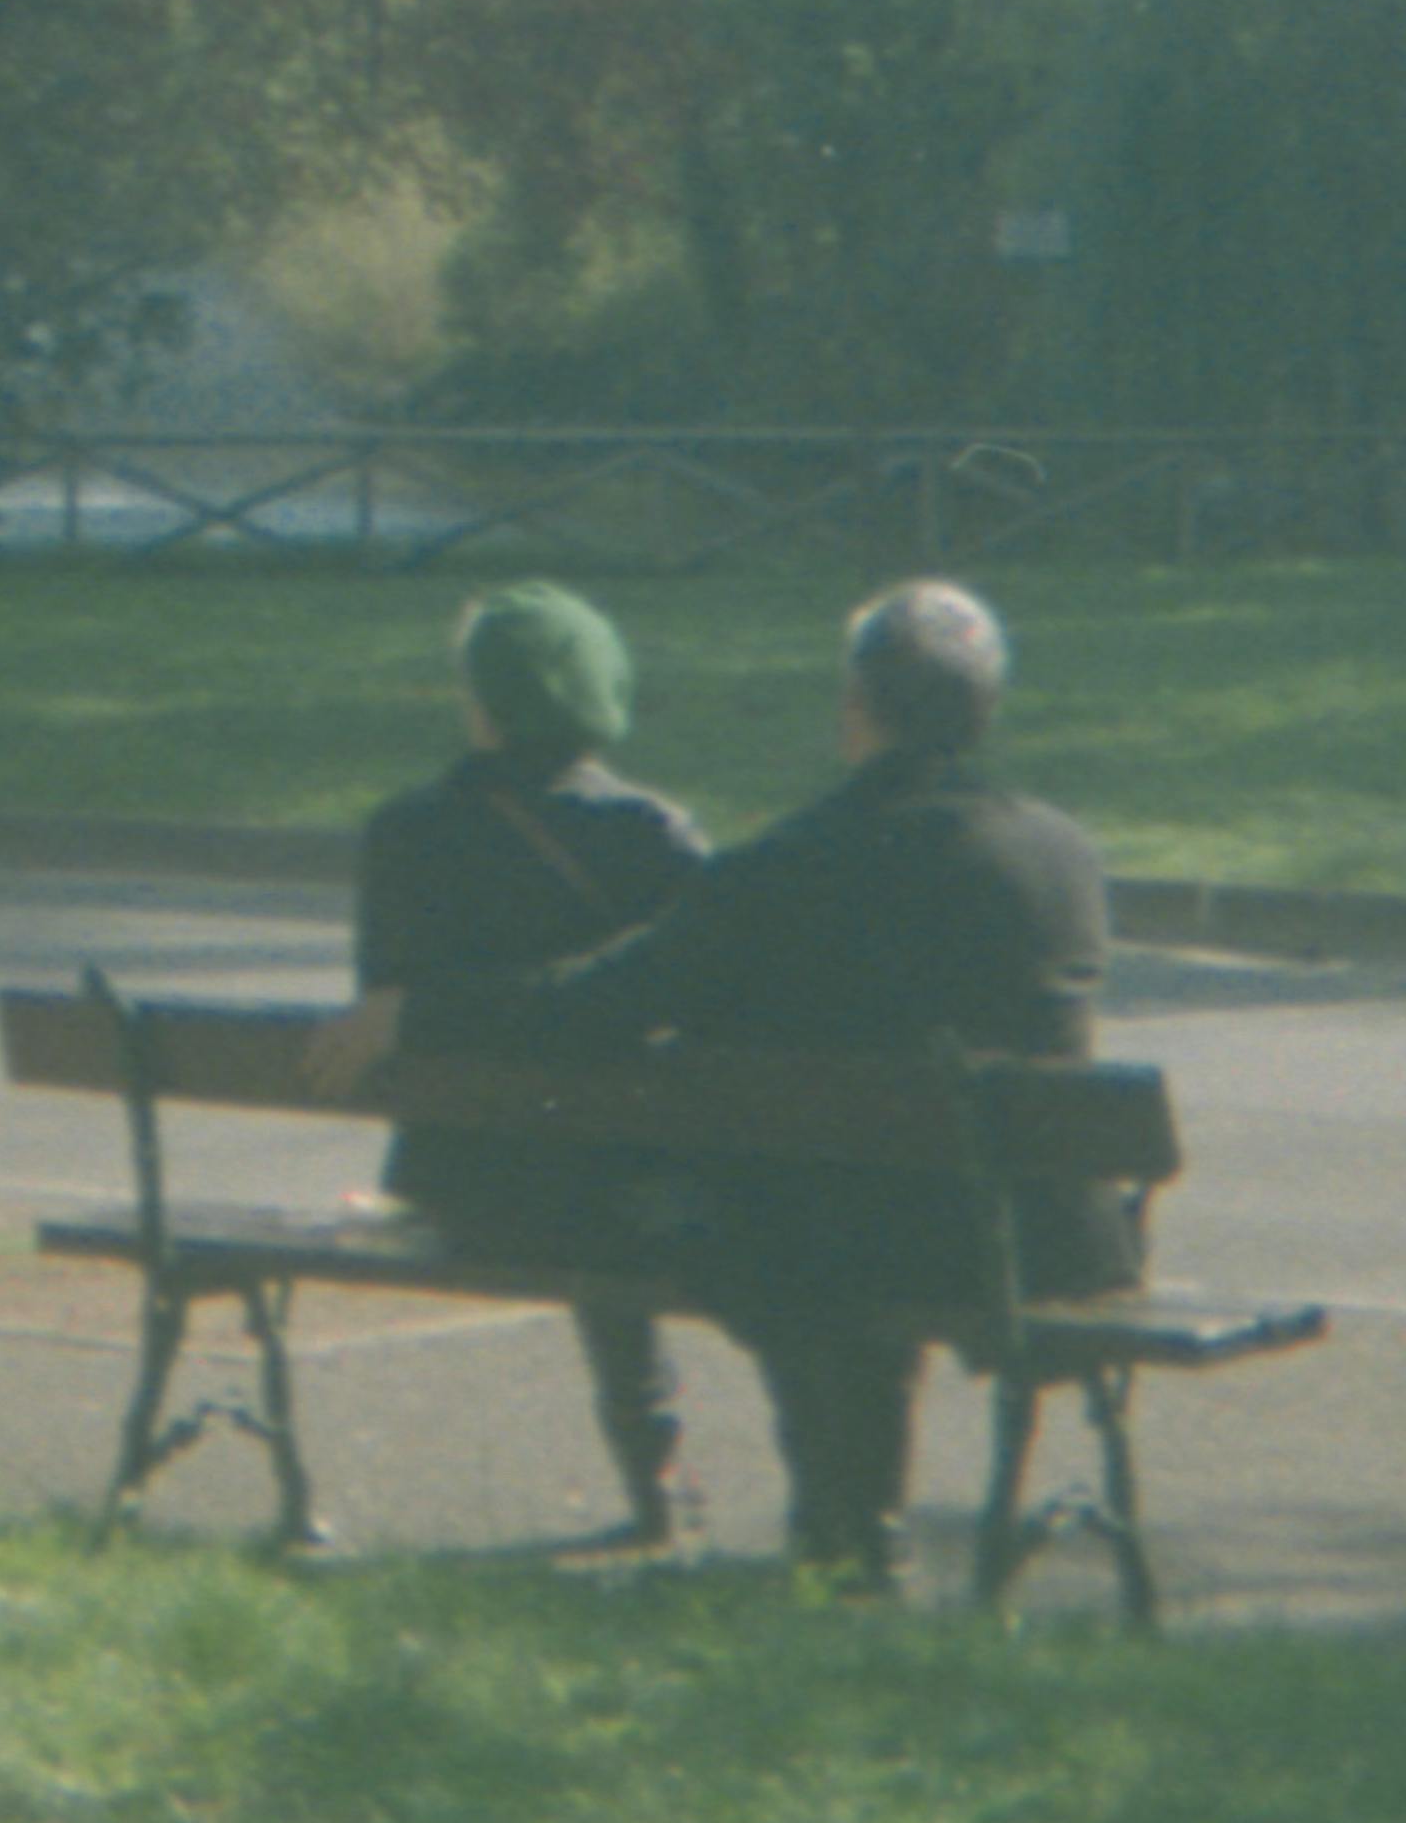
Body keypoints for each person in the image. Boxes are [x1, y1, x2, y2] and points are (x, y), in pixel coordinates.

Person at [327, 577, 1126, 1592]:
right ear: (985, 706)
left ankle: (842, 1538)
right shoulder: (1064, 855)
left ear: (854, 705)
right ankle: (849, 1542)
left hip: (858, 1244)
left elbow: (595, 1005)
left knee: (767, 1222)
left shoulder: (789, 865)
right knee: (839, 1201)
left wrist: (423, 1012)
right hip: (1045, 1238)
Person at [350, 579, 706, 1544]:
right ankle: (657, 1478)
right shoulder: (653, 835)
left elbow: (388, 1009)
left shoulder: (402, 834)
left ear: (482, 700)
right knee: (618, 1162)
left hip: (458, 1184)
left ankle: (653, 1486)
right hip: (614, 1193)